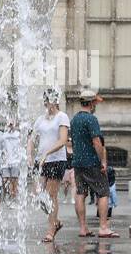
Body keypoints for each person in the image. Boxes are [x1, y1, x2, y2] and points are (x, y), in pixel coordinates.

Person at [70, 88, 115, 237]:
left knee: (80, 194)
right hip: (91, 162)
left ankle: (83, 228)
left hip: (78, 163)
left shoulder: (74, 119)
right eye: (95, 102)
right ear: (91, 103)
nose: (96, 105)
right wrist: (102, 161)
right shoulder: (91, 119)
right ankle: (103, 228)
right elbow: (96, 141)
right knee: (103, 192)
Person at [30, 88, 70, 242]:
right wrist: (29, 154)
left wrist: (47, 153)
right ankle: (56, 222)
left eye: (50, 100)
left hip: (56, 160)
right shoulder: (41, 119)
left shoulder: (62, 117)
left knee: (51, 195)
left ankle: (50, 231)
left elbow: (62, 140)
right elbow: (32, 138)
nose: (48, 104)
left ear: (56, 101)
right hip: (42, 161)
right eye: (46, 101)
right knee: (38, 194)